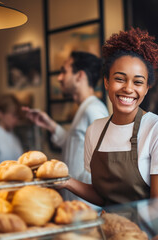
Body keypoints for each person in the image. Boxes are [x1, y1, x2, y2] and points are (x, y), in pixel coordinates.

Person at [60, 27, 158, 207]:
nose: (128, 89)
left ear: (147, 88)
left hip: (149, 233)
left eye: (138, 82)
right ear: (106, 82)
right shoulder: (95, 130)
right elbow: (103, 198)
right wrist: (65, 181)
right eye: (120, 79)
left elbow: (157, 207)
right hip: (110, 231)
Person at [23, 51, 109, 202]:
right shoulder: (84, 108)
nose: (59, 78)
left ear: (80, 76)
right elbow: (77, 144)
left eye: (64, 71)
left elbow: (107, 161)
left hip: (88, 206)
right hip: (76, 204)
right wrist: (50, 124)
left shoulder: (93, 110)